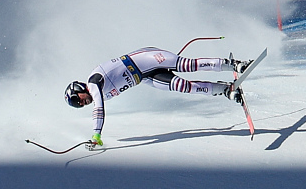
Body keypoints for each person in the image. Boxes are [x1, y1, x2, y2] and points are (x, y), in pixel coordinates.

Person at [64, 47, 252, 147]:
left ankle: (233, 64)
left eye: (77, 99)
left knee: (187, 65)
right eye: (78, 105)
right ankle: (224, 90)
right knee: (183, 86)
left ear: (78, 88)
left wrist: (96, 134)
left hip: (146, 59)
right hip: (145, 77)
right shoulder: (101, 93)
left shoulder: (93, 83)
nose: (81, 103)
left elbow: (99, 108)